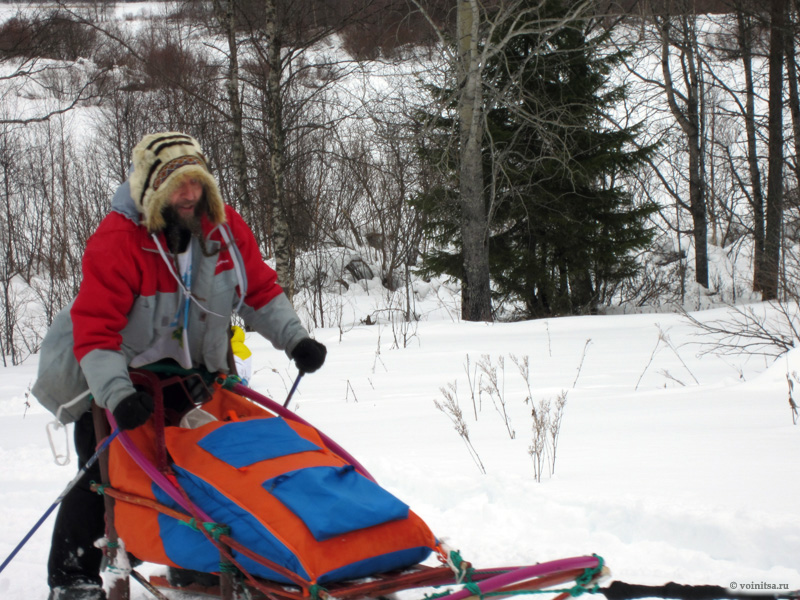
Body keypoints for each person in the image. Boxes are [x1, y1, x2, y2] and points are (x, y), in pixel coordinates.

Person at [32, 132, 327, 600]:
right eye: (177, 185)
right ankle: (73, 578)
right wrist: (117, 395)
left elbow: (258, 291)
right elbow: (96, 331)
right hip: (116, 377)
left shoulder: (224, 229)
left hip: (192, 374)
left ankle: (197, 563)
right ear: (153, 190)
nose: (189, 195)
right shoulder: (118, 240)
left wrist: (296, 339)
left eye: (197, 183)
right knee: (104, 477)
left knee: (203, 468)